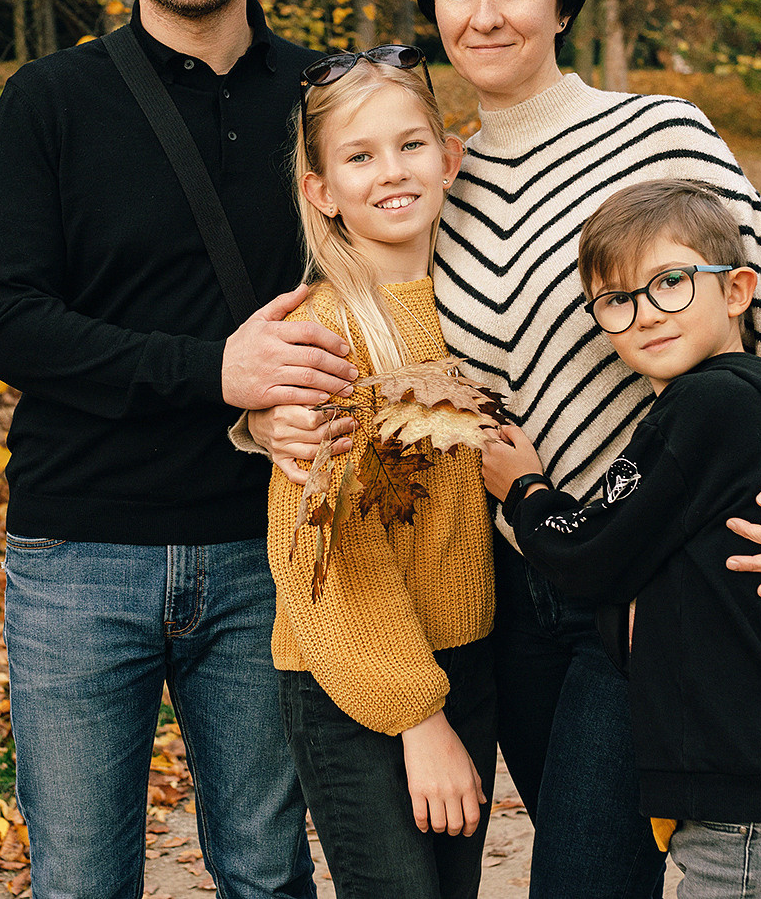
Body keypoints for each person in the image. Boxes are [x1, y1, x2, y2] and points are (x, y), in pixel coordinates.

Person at [244, 0, 761, 898]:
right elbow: (373, 334)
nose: (483, 13)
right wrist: (262, 412)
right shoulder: (435, 178)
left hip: (654, 582)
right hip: (515, 601)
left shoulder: (659, 136)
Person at [0, 0, 357, 899]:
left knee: (265, 872)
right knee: (83, 880)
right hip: (78, 554)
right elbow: (7, 320)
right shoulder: (50, 101)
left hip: (266, 546)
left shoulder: (324, 101)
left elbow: (386, 288)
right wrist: (213, 374)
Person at [480, 178, 761, 899]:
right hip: (758, 778)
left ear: (738, 290)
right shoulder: (752, 405)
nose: (645, 315)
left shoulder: (709, 406)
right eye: (616, 301)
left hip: (753, 791)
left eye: (670, 283)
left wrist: (525, 490)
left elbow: (594, 553)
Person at [265, 47, 495, 899]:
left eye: (410, 146)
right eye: (359, 157)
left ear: (450, 157)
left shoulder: (476, 310)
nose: (390, 173)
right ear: (321, 190)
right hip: (358, 682)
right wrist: (420, 718)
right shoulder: (326, 337)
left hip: (465, 657)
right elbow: (323, 563)